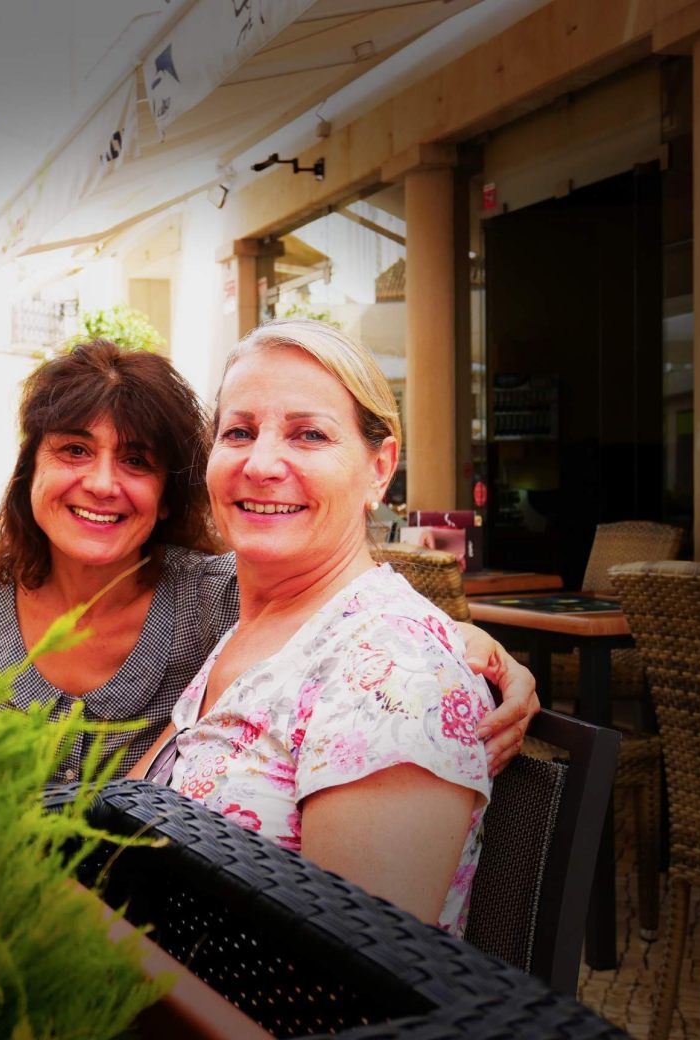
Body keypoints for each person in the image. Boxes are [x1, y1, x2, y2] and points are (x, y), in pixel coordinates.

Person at [0, 339, 536, 786]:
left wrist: (473, 645)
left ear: (169, 491)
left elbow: (350, 617)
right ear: (30, 470)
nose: (101, 484)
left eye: (135, 461)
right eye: (73, 450)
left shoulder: (213, 597)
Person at [130, 319, 494, 934]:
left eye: (309, 435)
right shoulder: (253, 631)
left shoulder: (395, 671)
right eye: (239, 431)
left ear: (380, 468)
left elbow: (349, 984)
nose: (262, 463)